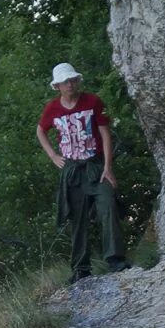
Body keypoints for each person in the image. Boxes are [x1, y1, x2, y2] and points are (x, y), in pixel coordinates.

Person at [38, 63, 129, 281]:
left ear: (77, 81)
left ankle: (116, 260)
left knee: (108, 206)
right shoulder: (52, 108)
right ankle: (81, 268)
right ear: (57, 85)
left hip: (95, 165)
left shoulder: (92, 102)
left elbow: (105, 133)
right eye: (65, 81)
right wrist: (53, 156)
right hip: (72, 169)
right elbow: (41, 130)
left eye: (72, 80)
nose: (70, 84)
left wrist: (108, 167)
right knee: (76, 218)